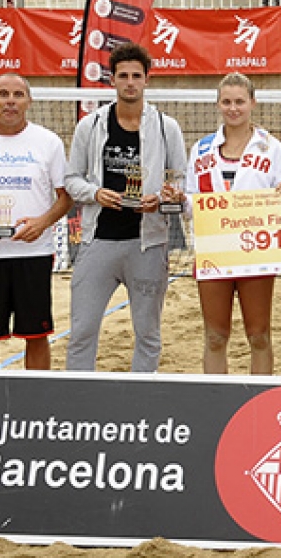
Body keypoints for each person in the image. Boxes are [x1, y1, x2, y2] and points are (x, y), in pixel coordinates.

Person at [64, 42, 187, 373]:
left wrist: (161, 199)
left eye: (136, 75)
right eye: (123, 76)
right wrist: (94, 193)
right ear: (112, 80)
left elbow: (182, 184)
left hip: (147, 244)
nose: (130, 82)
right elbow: (71, 179)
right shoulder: (91, 125)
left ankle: (140, 397)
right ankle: (76, 397)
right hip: (97, 241)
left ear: (147, 79)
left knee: (148, 334)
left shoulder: (165, 127)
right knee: (82, 331)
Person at [0, 74, 71, 369]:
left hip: (33, 254)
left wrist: (42, 223)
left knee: (36, 335)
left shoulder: (49, 142)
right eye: (3, 94)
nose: (10, 101)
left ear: (29, 101)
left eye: (18, 95)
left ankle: (36, 403)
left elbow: (66, 197)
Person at [186, 73, 281, 375]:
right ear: (217, 104)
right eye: (227, 101)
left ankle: (259, 400)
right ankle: (216, 400)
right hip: (214, 252)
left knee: (259, 335)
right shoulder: (201, 149)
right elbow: (191, 200)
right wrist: (181, 199)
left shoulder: (271, 147)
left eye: (239, 101)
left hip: (256, 254)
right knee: (215, 336)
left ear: (252, 103)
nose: (233, 108)